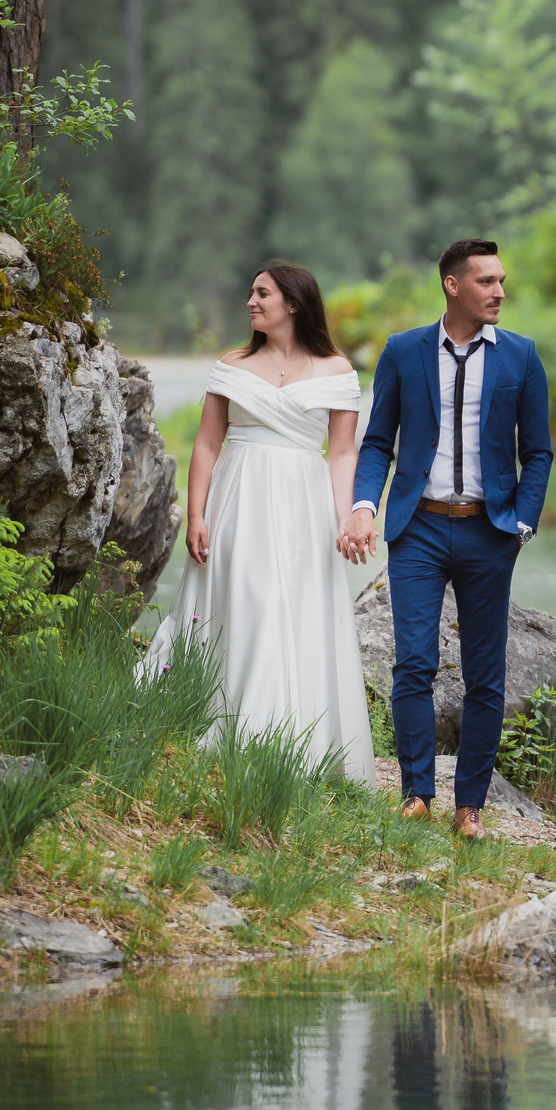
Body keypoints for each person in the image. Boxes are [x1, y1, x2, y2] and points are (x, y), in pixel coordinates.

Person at [342, 238, 552, 838]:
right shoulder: (404, 352)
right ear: (452, 285)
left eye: (502, 280)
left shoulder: (521, 356)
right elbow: (378, 440)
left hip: (491, 531)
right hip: (419, 528)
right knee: (413, 663)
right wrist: (364, 505)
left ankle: (470, 809)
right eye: (486, 281)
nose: (500, 291)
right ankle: (416, 794)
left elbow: (536, 451)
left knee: (487, 674)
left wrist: (522, 520)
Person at [144, 263, 372, 780]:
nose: (250, 300)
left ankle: (293, 743)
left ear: (293, 303)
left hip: (303, 503)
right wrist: (196, 514)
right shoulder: (233, 364)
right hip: (240, 495)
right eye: (250, 291)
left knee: (294, 608)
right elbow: (207, 443)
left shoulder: (337, 370)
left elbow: (341, 455)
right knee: (246, 600)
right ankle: (228, 727)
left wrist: (345, 519)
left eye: (262, 293)